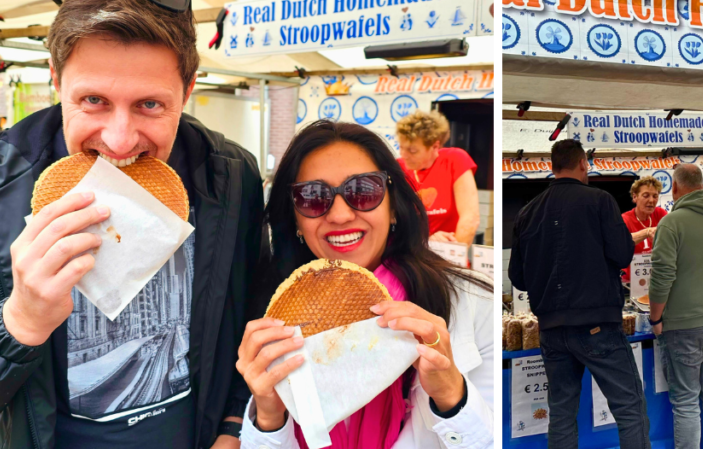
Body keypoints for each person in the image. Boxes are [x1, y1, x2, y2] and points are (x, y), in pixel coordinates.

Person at [0, 0, 264, 448]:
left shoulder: (231, 175)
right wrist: (21, 321)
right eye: (93, 100)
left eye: (149, 105)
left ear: (189, 89)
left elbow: (255, 311)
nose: (119, 140)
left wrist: (234, 426)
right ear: (56, 80)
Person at [237, 120, 493, 448]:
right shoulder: (275, 318)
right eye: (313, 197)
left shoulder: (471, 303)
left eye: (363, 190)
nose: (340, 214)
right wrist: (269, 419)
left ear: (394, 207)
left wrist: (451, 395)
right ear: (296, 218)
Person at [509, 139, 649, 449]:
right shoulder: (599, 201)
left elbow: (517, 278)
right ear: (583, 163)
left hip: (550, 329)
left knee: (561, 414)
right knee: (629, 408)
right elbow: (622, 254)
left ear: (552, 166)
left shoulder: (528, 212)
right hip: (598, 323)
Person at [649, 164, 703, 449]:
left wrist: (655, 318)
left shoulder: (672, 222)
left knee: (685, 401)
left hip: (683, 323)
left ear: (675, 187)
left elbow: (661, 277)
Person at [395, 110, 480, 244]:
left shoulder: (455, 160)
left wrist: (454, 255)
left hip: (447, 253)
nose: (404, 155)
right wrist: (427, 241)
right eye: (401, 147)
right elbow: (394, 223)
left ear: (435, 146)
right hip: (411, 255)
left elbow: (470, 218)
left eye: (412, 150)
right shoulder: (397, 168)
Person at [620, 176, 668, 282]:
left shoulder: (661, 214)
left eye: (655, 196)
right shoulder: (625, 219)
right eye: (646, 196)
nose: (651, 200)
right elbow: (621, 241)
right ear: (635, 197)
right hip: (630, 281)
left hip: (656, 278)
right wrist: (647, 232)